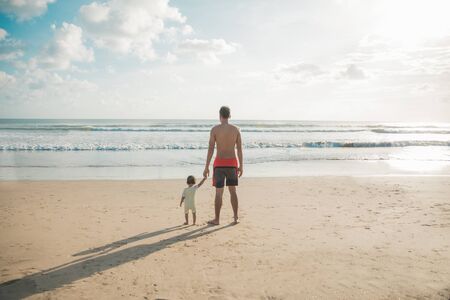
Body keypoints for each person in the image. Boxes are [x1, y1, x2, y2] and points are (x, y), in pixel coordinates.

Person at [203, 106, 243, 225]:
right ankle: (235, 218)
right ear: (229, 116)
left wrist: (206, 166)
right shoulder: (236, 130)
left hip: (219, 163)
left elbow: (210, 149)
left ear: (220, 115)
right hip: (232, 163)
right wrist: (241, 166)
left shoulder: (214, 130)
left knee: (219, 193)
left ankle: (217, 219)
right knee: (233, 191)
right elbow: (239, 149)